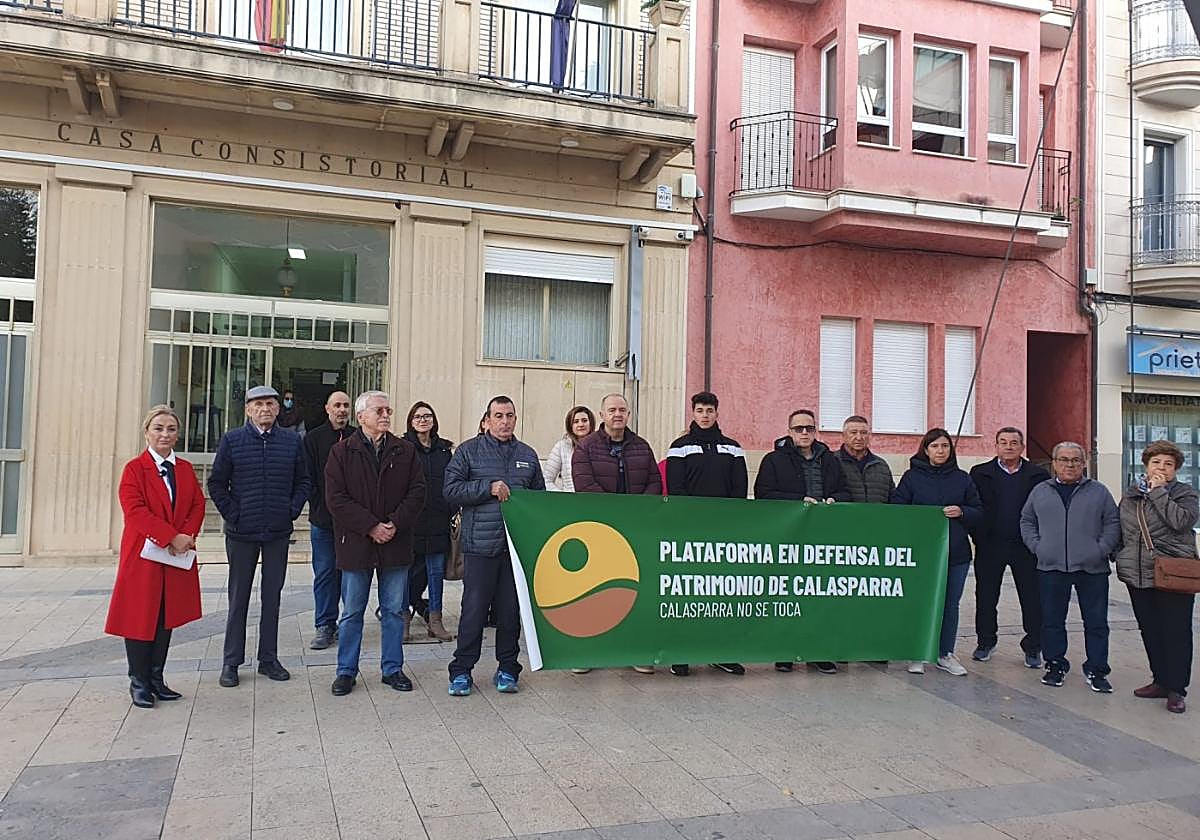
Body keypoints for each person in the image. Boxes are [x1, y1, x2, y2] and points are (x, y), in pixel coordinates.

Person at [208, 385, 311, 688]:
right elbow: (216, 484)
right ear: (248, 410)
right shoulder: (233, 440)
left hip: (277, 531)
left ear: (279, 409)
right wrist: (234, 513)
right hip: (242, 533)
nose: (265, 409)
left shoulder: (292, 442)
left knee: (272, 597)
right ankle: (231, 662)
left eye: (270, 404)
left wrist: (291, 510)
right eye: (259, 404)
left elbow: (304, 481)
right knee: (238, 598)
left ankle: (268, 658)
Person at [325, 391, 426, 695]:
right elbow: (336, 499)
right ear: (361, 417)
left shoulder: (405, 451)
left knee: (394, 610)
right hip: (357, 543)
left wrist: (394, 523)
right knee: (352, 611)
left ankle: (392, 668)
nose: (385, 415)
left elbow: (418, 492)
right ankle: (346, 671)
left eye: (388, 410)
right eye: (379, 410)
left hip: (395, 542)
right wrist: (370, 526)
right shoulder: (341, 452)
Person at [444, 396, 546, 696]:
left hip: (515, 550)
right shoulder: (468, 451)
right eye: (498, 416)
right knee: (473, 611)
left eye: (510, 415)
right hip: (479, 546)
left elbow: (539, 498)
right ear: (486, 420)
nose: (505, 421)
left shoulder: (527, 454)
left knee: (510, 612)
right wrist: (486, 488)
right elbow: (450, 490)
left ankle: (507, 669)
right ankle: (461, 671)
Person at [106, 406, 205, 708]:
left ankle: (156, 678)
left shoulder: (185, 469)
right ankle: (138, 681)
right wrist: (170, 537)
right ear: (147, 431)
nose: (165, 434)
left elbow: (197, 505)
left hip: (174, 557)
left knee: (166, 617)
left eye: (171, 429)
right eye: (159, 428)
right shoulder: (134, 469)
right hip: (144, 557)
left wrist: (185, 537)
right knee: (139, 616)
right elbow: (135, 511)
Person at [571, 393, 661, 675]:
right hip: (599, 530)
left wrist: (636, 511)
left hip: (635, 530)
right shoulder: (585, 448)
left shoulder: (642, 447)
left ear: (629, 414)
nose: (617, 414)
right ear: (602, 414)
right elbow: (584, 485)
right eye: (612, 410)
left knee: (635, 591)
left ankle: (635, 651)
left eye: (622, 409)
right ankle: (586, 653)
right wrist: (615, 512)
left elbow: (654, 482)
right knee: (594, 593)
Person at [1020, 442, 1121, 693]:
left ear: (1083, 463)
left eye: (1075, 460)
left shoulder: (1099, 492)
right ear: (1054, 463)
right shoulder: (1040, 491)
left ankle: (1097, 669)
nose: (1069, 464)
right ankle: (1055, 664)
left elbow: (1112, 522)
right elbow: (1027, 520)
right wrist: (1038, 547)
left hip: (1092, 569)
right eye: (1063, 459)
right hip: (1051, 566)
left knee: (1096, 622)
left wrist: (1101, 549)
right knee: (1052, 620)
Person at [755, 408, 849, 675]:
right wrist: (798, 502)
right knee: (786, 594)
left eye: (809, 428)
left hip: (823, 539)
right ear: (789, 431)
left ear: (815, 430)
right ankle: (784, 652)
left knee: (819, 596)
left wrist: (835, 500)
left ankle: (818, 652)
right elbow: (764, 494)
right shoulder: (773, 460)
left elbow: (844, 490)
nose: (804, 433)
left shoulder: (830, 460)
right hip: (789, 537)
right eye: (799, 429)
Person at [666, 391, 748, 676]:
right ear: (693, 413)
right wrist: (694, 522)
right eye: (700, 410)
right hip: (689, 534)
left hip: (725, 535)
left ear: (716, 413)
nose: (704, 415)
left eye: (709, 410)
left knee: (721, 594)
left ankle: (721, 653)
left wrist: (727, 525)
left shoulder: (733, 448)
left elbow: (739, 492)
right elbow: (676, 491)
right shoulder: (679, 447)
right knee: (688, 593)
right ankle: (681, 653)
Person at [1115, 440, 1199, 714]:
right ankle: (1160, 680)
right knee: (1150, 629)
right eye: (1156, 462)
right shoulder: (1131, 495)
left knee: (1176, 632)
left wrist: (1159, 492)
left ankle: (1176, 689)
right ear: (1146, 464)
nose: (1161, 468)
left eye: (1168, 464)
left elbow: (1180, 521)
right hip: (1138, 572)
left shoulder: (1186, 494)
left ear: (1175, 469)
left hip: (1172, 571)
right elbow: (1122, 526)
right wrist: (1119, 553)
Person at [895, 428, 983, 677]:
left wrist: (962, 511)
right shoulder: (912, 477)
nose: (940, 451)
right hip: (922, 552)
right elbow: (898, 507)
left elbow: (979, 512)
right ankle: (917, 652)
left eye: (944, 446)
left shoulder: (963, 478)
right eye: (935, 446)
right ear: (926, 449)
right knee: (920, 603)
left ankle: (945, 653)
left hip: (956, 553)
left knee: (950, 604)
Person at [969, 427, 1050, 668]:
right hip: (990, 544)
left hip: (1025, 546)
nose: (1008, 446)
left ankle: (1033, 646)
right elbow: (974, 505)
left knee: (1032, 597)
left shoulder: (1038, 475)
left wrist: (1037, 541)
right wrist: (979, 536)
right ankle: (985, 642)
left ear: (1022, 447)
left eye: (1014, 442)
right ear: (995, 446)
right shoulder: (979, 473)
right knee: (985, 596)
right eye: (1003, 442)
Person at [303, 391, 354, 651]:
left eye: (346, 405)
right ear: (327, 408)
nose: (342, 410)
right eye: (337, 405)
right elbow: (307, 477)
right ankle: (325, 624)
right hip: (323, 520)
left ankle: (349, 623)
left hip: (353, 523)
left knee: (351, 574)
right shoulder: (313, 438)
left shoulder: (359, 437)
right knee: (324, 573)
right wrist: (319, 503)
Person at [403, 401, 457, 643]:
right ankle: (401, 620)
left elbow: (453, 482)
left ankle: (435, 620)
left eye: (427, 416)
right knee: (405, 575)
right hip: (411, 522)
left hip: (437, 521)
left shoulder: (445, 450)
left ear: (433, 420)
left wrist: (450, 508)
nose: (423, 420)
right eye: (417, 417)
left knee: (436, 573)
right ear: (411, 421)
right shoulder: (402, 447)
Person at [835, 415, 895, 504]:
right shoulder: (833, 462)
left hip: (876, 517)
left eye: (863, 433)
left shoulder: (881, 465)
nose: (859, 437)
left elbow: (893, 499)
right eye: (853, 432)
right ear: (843, 436)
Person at [543, 405, 596, 491]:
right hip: (568, 501)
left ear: (591, 423)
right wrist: (562, 497)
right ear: (570, 425)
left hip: (593, 500)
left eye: (584, 420)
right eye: (576, 421)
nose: (581, 424)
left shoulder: (600, 446)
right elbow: (546, 480)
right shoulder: (561, 447)